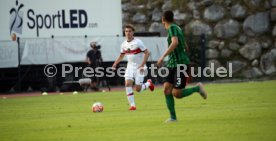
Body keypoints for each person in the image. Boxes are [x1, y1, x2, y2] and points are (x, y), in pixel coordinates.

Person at [156, 10, 207, 123]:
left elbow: (175, 43)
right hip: (172, 64)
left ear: (163, 20)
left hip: (180, 64)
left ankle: (197, 88)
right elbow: (184, 44)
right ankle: (173, 118)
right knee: (166, 89)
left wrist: (162, 56)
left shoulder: (173, 28)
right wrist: (183, 49)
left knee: (177, 94)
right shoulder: (177, 28)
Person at [112, 24, 155, 110]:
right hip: (130, 67)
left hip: (140, 67)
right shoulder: (123, 44)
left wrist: (142, 65)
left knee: (138, 89)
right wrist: (115, 64)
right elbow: (121, 56)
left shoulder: (138, 42)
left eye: (130, 31)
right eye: (126, 31)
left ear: (133, 32)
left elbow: (147, 53)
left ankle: (149, 83)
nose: (128, 33)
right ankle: (133, 105)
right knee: (127, 84)